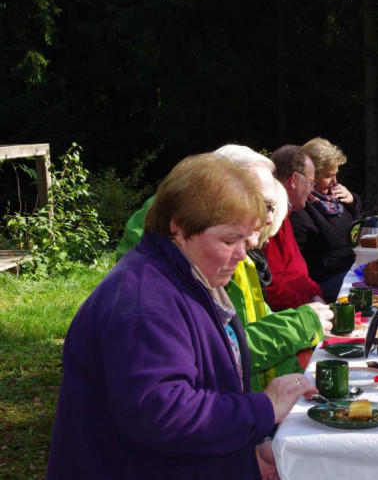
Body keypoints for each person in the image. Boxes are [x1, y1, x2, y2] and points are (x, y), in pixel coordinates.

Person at [47, 154, 318, 479]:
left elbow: (207, 386)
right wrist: (263, 407)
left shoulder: (188, 277)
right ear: (178, 226)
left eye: (247, 239)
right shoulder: (144, 304)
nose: (243, 253)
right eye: (229, 240)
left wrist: (246, 451)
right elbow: (161, 415)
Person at [114, 145, 332, 394]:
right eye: (264, 205)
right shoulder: (148, 295)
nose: (266, 220)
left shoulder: (224, 259)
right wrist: (262, 410)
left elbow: (234, 341)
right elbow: (216, 360)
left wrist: (294, 385)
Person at [290, 137, 362, 302]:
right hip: (323, 280)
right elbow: (296, 265)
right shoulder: (299, 208)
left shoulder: (331, 197)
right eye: (329, 176)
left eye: (336, 174)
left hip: (348, 269)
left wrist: (352, 200)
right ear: (311, 175)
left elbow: (355, 214)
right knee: (367, 286)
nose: (335, 181)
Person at [264, 145, 327, 310]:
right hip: (290, 318)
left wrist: (315, 294)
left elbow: (297, 270)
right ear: (294, 180)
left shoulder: (286, 213)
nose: (312, 190)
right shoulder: (272, 219)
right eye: (311, 182)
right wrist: (308, 310)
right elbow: (273, 287)